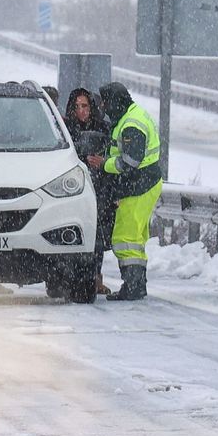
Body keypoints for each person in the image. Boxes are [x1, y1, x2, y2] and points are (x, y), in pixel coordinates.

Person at [87, 82, 163, 301]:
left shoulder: (131, 124)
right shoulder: (131, 115)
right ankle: (137, 284)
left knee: (125, 238)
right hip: (143, 183)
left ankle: (133, 286)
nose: (102, 106)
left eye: (104, 102)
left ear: (113, 102)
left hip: (139, 185)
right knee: (135, 239)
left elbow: (130, 160)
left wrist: (103, 164)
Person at [64, 87, 115, 296]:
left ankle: (96, 277)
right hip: (72, 188)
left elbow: (113, 153)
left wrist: (102, 163)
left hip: (100, 187)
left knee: (98, 236)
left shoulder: (103, 127)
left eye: (84, 106)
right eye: (77, 107)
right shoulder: (65, 129)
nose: (81, 111)